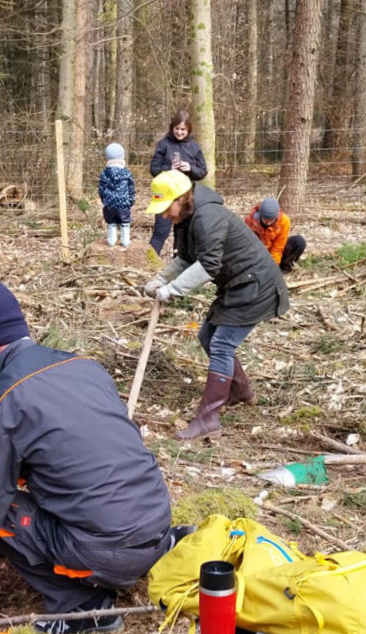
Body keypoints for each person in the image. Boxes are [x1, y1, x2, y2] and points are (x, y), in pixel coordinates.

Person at [0, 281, 175, 634]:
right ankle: (140, 555)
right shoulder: (86, 367)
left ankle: (86, 610)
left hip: (112, 551)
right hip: (157, 526)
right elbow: (83, 448)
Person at [143, 170, 289, 441]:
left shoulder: (207, 216)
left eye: (166, 208)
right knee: (207, 336)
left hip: (257, 286)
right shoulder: (186, 218)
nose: (164, 215)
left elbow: (208, 265)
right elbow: (187, 258)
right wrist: (161, 278)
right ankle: (241, 391)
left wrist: (171, 291)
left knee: (221, 344)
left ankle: (208, 419)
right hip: (238, 284)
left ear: (181, 198)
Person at [146, 109, 208, 260]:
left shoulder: (194, 146)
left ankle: (179, 265)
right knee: (161, 232)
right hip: (166, 197)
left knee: (183, 234)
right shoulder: (164, 144)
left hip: (186, 197)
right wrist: (169, 169)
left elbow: (202, 172)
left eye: (183, 129)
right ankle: (150, 262)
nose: (180, 132)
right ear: (172, 127)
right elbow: (154, 169)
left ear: (189, 129)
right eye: (177, 129)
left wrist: (190, 168)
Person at [245, 197, 306, 273]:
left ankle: (283, 270)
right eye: (265, 220)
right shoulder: (249, 221)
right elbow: (247, 247)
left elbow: (278, 248)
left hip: (276, 253)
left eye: (271, 220)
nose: (268, 223)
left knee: (299, 242)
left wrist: (272, 268)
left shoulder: (284, 221)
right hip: (259, 254)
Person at [98, 143, 135, 248]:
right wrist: (131, 201)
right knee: (125, 222)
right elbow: (131, 188)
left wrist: (104, 200)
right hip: (123, 203)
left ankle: (111, 239)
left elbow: (101, 189)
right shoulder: (126, 173)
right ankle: (125, 240)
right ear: (122, 156)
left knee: (111, 222)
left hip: (109, 204)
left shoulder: (104, 173)